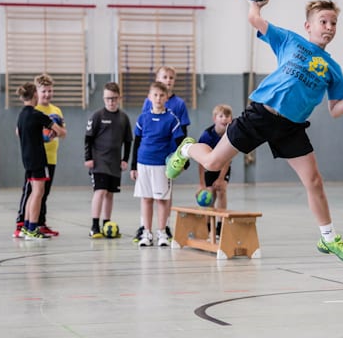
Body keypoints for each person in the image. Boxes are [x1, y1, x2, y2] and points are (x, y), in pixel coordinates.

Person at [166, 0, 343, 263]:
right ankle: (187, 148)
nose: (329, 27)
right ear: (308, 25)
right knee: (213, 160)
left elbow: (335, 109)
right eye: (323, 22)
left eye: (333, 23)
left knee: (314, 181)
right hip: (261, 114)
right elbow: (254, 20)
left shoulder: (333, 69)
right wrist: (256, 4)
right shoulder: (290, 41)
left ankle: (328, 238)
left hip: (291, 127)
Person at [133, 65, 190, 243]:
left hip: (163, 160)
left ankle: (163, 230)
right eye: (164, 77)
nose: (158, 98)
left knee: (163, 197)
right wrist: (134, 164)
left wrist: (182, 158)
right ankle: (146, 230)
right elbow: (139, 137)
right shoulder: (144, 115)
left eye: (170, 77)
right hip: (144, 160)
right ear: (150, 97)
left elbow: (181, 135)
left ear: (166, 97)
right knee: (147, 197)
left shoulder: (176, 109)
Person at [13, 73, 67, 238]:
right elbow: (21, 132)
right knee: (34, 192)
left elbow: (61, 132)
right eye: (44, 91)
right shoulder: (36, 113)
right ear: (36, 93)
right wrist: (46, 134)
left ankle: (35, 225)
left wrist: (52, 134)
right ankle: (26, 226)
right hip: (38, 158)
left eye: (50, 91)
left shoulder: (50, 111)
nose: (47, 94)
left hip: (45, 158)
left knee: (41, 193)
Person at [84, 82, 133, 238]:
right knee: (100, 191)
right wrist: (88, 158)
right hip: (99, 162)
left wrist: (125, 159)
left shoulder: (124, 118)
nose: (111, 102)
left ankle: (106, 223)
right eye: (107, 99)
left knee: (110, 194)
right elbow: (88, 138)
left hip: (114, 163)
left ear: (119, 98)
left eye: (113, 98)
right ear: (103, 99)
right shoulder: (97, 116)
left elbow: (128, 140)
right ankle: (94, 226)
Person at [197, 104, 233, 238]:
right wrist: (201, 182)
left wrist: (221, 178)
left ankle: (220, 226)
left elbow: (227, 160)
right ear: (215, 119)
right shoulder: (207, 135)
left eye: (227, 116)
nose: (224, 119)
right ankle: (207, 226)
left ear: (231, 119)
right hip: (209, 167)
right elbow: (201, 161)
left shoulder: (230, 135)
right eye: (221, 116)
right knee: (210, 195)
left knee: (222, 190)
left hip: (223, 167)